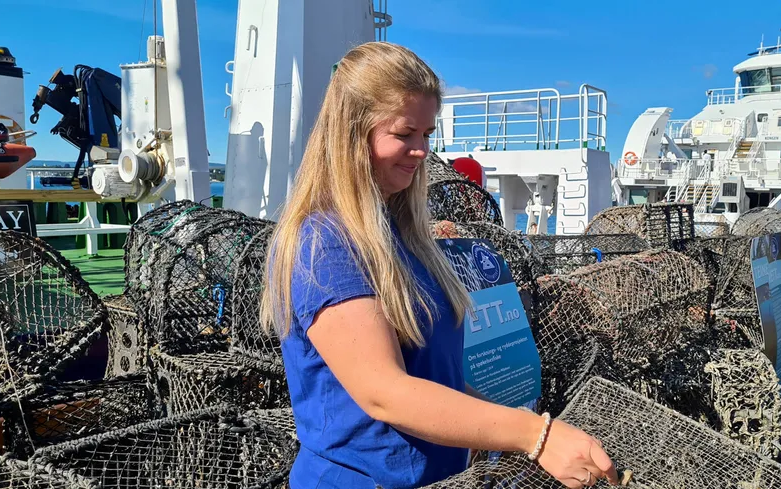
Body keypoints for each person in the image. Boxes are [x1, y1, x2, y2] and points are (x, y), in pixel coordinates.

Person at [260, 42, 618, 489]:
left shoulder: (401, 235)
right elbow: (384, 393)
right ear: (351, 133)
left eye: (427, 136)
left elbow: (434, 376)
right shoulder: (326, 242)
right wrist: (537, 437)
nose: (420, 151)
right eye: (405, 134)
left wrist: (506, 433)